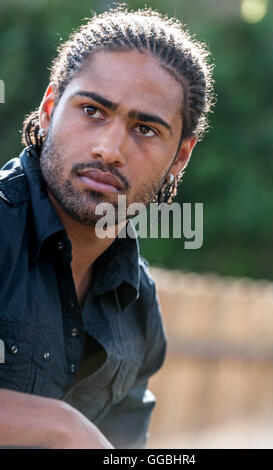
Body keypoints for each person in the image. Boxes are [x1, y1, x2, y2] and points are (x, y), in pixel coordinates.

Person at [0, 7, 214, 449]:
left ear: (180, 157)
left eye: (145, 129)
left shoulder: (138, 306)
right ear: (48, 109)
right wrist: (61, 426)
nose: (110, 149)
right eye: (93, 111)